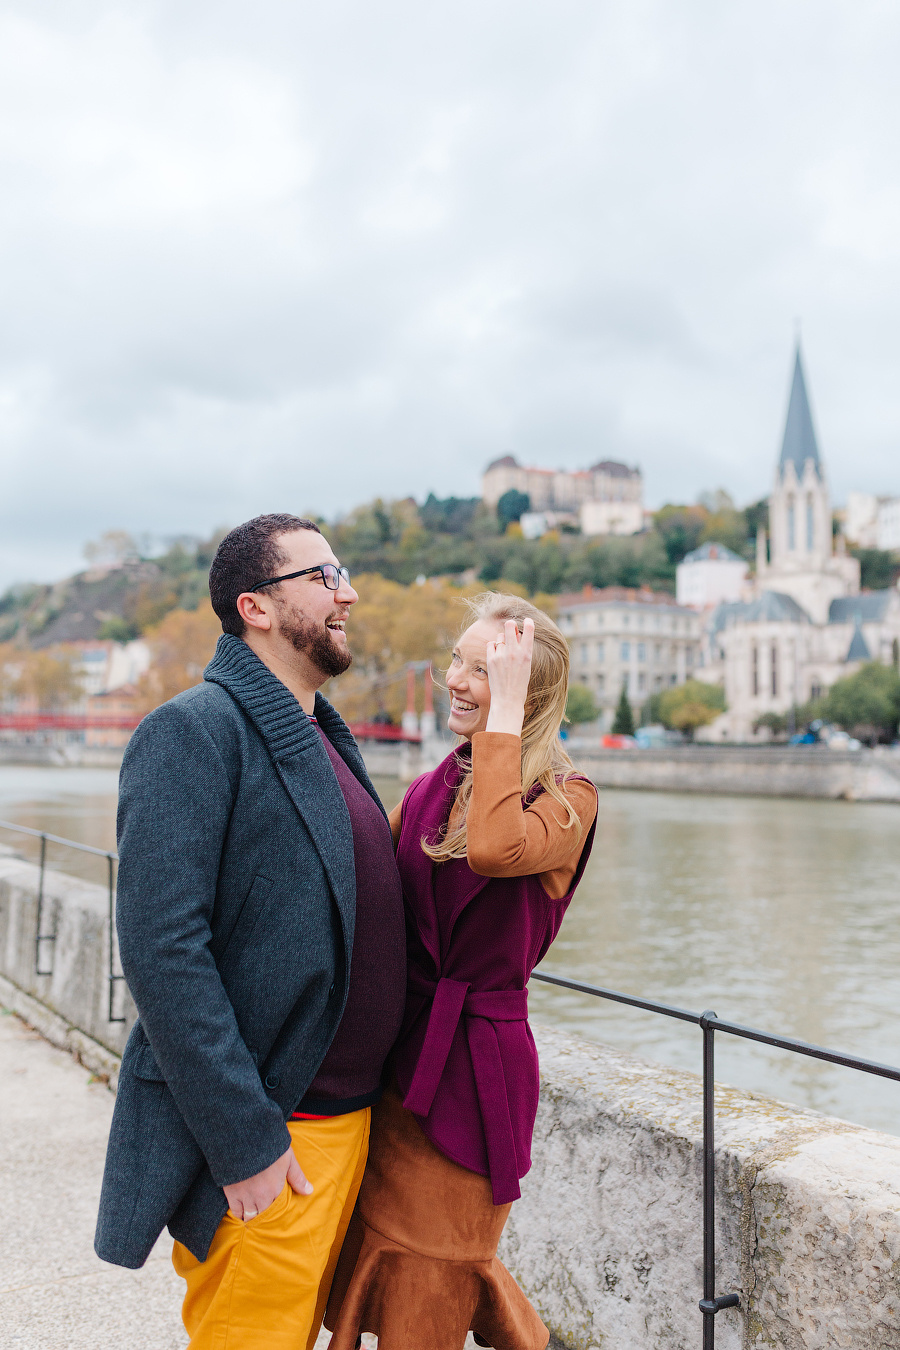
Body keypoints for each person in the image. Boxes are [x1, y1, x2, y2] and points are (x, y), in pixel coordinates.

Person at [94, 513, 407, 1350]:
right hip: (277, 1138)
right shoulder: (192, 730)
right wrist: (245, 1145)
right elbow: (163, 952)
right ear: (256, 607)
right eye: (322, 576)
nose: (347, 592)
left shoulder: (318, 732)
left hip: (343, 1125)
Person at [325, 592, 599, 1350]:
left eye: (484, 670)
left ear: (524, 693)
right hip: (394, 1063)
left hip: (474, 1082)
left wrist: (505, 712)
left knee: (438, 1276)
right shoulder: (434, 784)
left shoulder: (569, 801)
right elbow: (369, 888)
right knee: (381, 1272)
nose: (455, 678)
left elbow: (493, 852)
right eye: (457, 658)